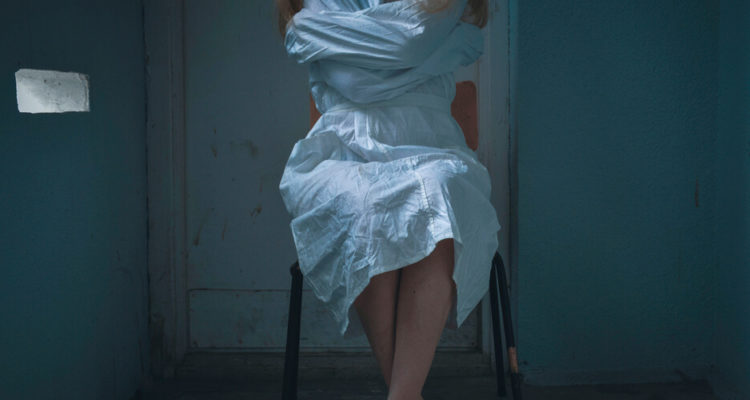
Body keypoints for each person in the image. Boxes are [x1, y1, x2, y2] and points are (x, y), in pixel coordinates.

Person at [275, 1, 499, 399]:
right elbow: (371, 73)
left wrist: (351, 43)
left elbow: (399, 50)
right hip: (342, 152)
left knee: (440, 194)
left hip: (434, 147)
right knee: (364, 206)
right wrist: (425, 48)